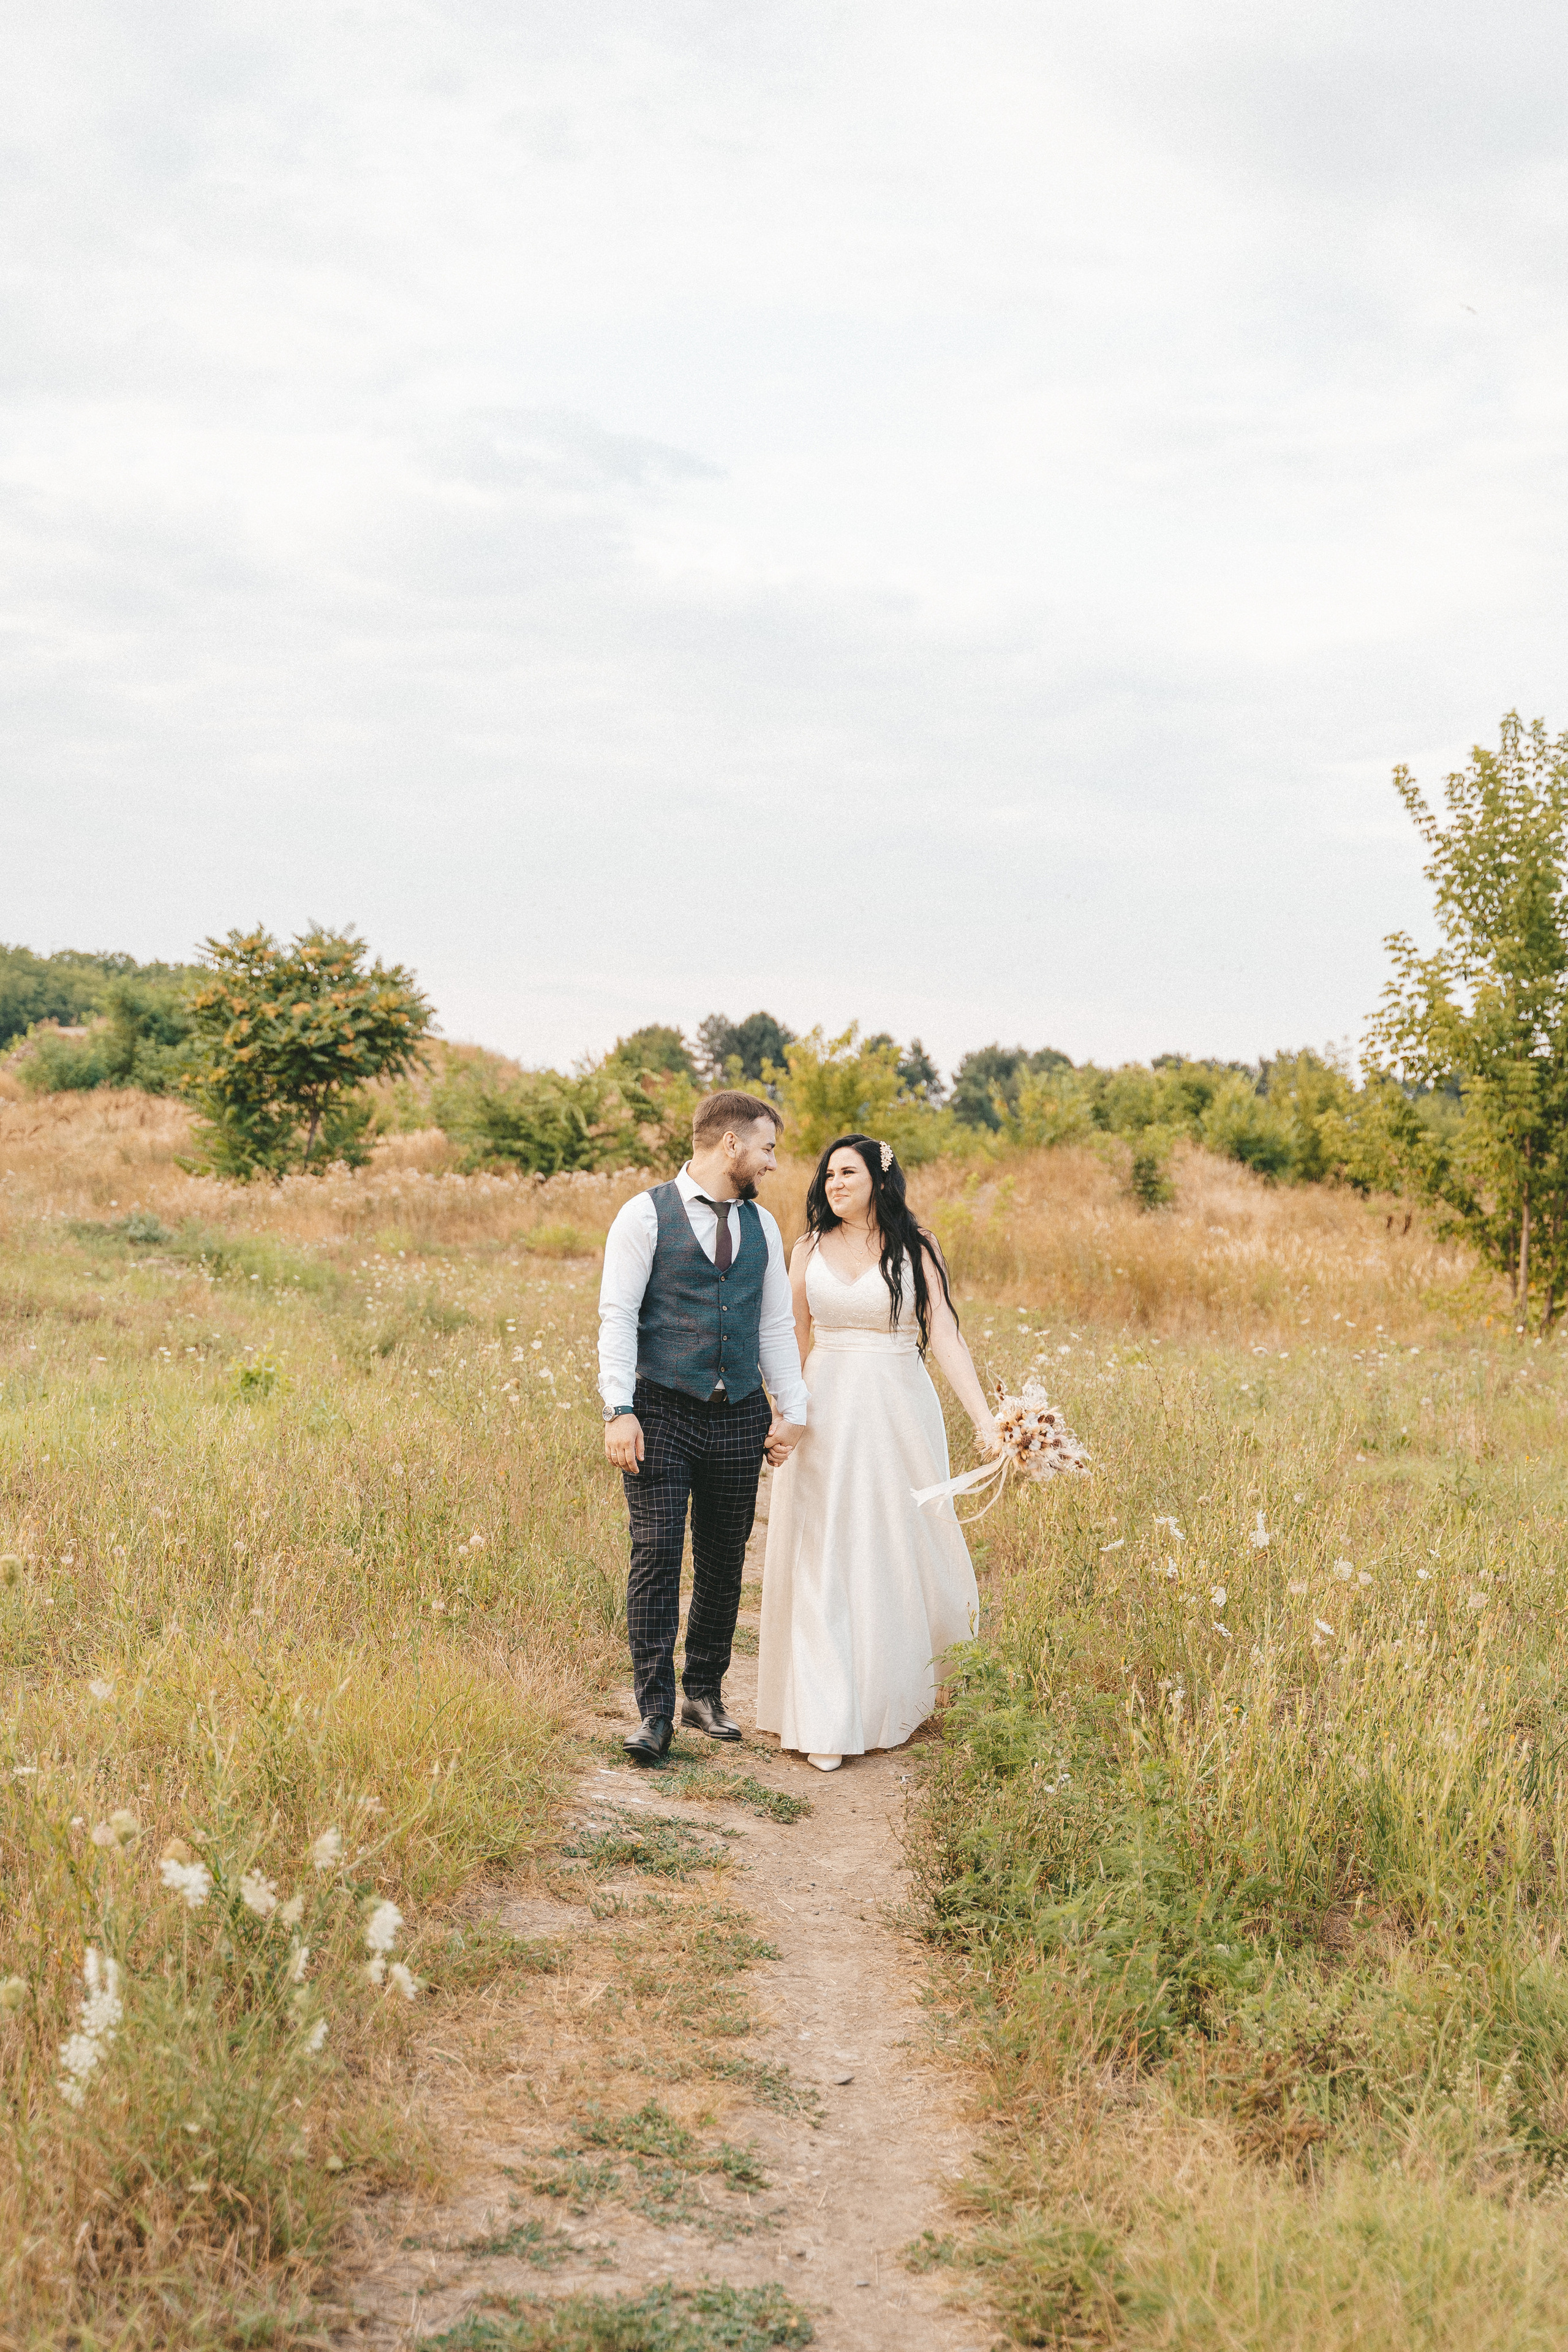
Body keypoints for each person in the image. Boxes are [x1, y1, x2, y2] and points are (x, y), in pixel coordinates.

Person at [756, 1134, 1000, 1772]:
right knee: (824, 1546)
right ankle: (826, 1714)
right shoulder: (807, 1247)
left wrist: (986, 1420)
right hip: (825, 1408)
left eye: (847, 1172)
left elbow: (943, 1333)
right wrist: (785, 1417)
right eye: (827, 1174)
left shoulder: (916, 1246)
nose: (833, 1183)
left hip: (897, 1409)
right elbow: (791, 1337)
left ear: (878, 1180)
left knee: (892, 1544)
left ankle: (897, 1688)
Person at [598, 1090, 809, 1764]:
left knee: (722, 1562)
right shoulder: (643, 1214)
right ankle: (653, 1712)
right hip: (660, 1408)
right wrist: (618, 1409)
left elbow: (774, 1323)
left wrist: (791, 1409)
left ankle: (702, 1692)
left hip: (739, 1413)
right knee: (656, 1557)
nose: (772, 1163)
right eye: (767, 1148)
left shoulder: (764, 1228)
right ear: (730, 1145)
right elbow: (617, 1316)